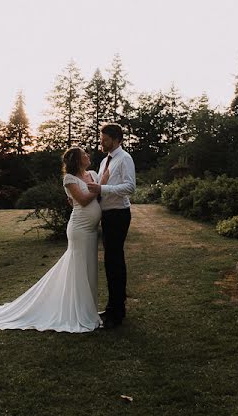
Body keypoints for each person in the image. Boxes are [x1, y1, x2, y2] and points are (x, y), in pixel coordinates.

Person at [0, 147, 102, 333]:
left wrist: (100, 186)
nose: (88, 156)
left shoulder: (93, 174)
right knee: (78, 267)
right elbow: (82, 200)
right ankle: (77, 311)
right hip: (79, 229)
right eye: (84, 155)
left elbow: (92, 197)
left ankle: (89, 309)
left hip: (91, 230)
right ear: (77, 160)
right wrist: (99, 188)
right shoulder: (69, 179)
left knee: (89, 268)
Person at [87, 123, 135, 330]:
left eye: (104, 139)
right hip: (107, 215)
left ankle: (118, 312)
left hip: (119, 215)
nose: (101, 142)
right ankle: (112, 307)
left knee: (115, 262)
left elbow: (130, 187)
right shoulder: (105, 160)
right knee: (110, 262)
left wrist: (102, 188)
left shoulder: (125, 159)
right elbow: (99, 188)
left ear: (115, 139)